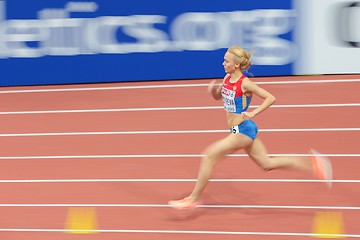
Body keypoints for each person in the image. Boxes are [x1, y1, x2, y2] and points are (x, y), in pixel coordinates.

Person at [168, 46, 333, 210]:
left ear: (237, 65)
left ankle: (192, 199)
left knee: (209, 156)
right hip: (236, 130)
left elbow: (270, 98)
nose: (223, 63)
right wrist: (213, 91)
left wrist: (254, 112)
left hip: (243, 129)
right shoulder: (227, 78)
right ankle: (313, 164)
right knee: (267, 163)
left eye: (226, 61)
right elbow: (219, 96)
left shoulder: (245, 83)